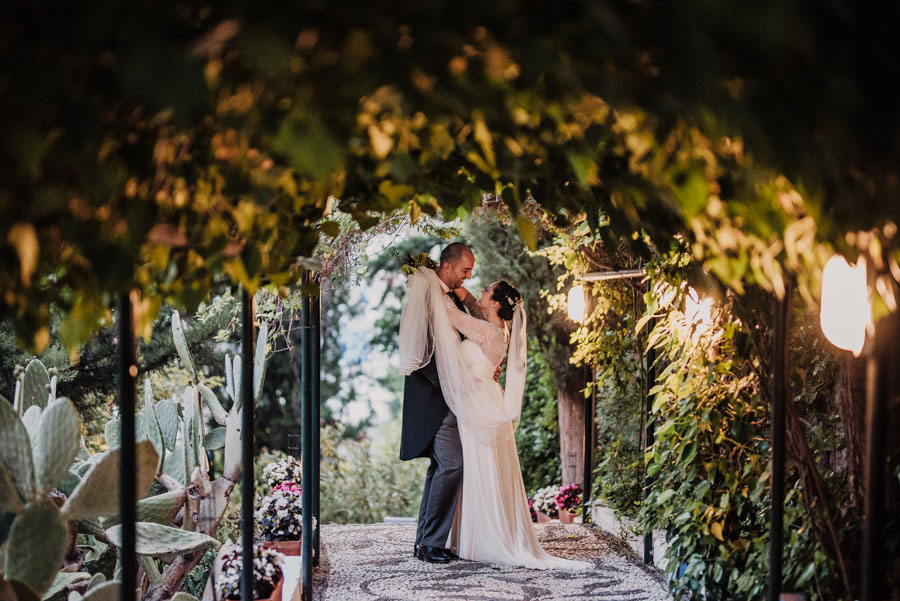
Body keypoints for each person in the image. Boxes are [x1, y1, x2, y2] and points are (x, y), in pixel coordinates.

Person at [399, 263, 591, 570]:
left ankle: (463, 538)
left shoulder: (486, 329)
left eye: (488, 291)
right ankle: (439, 539)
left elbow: (450, 313)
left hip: (474, 405)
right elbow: (470, 300)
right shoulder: (491, 324)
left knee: (466, 467)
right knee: (461, 467)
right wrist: (444, 275)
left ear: (497, 303)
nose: (481, 292)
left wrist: (429, 279)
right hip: (475, 401)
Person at [399, 242, 483, 564]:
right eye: (465, 271)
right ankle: (429, 543)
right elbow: (420, 349)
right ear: (446, 266)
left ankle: (425, 541)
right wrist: (454, 383)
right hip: (436, 397)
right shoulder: (426, 294)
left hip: (449, 397)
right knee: (452, 464)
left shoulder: (448, 295)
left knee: (440, 467)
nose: (468, 277)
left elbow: (477, 321)